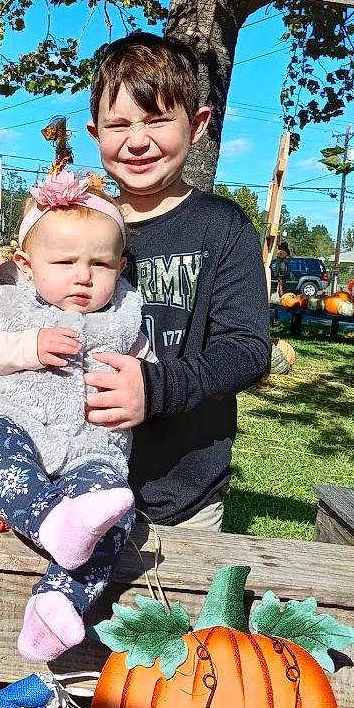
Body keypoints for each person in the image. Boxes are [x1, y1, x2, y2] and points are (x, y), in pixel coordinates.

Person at [0, 170, 155, 662]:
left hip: (91, 446)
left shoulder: (127, 317)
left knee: (113, 510)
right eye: (64, 262)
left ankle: (58, 603)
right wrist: (27, 348)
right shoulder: (7, 300)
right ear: (26, 263)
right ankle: (49, 519)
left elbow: (146, 377)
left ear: (120, 266)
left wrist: (139, 389)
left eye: (100, 264)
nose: (83, 276)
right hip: (12, 425)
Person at [84, 32, 271, 532]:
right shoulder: (76, 221)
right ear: (94, 133)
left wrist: (156, 387)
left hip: (182, 498)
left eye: (157, 120)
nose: (137, 140)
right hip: (72, 483)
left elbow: (249, 349)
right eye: (118, 123)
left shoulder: (223, 227)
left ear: (199, 124)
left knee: (169, 612)